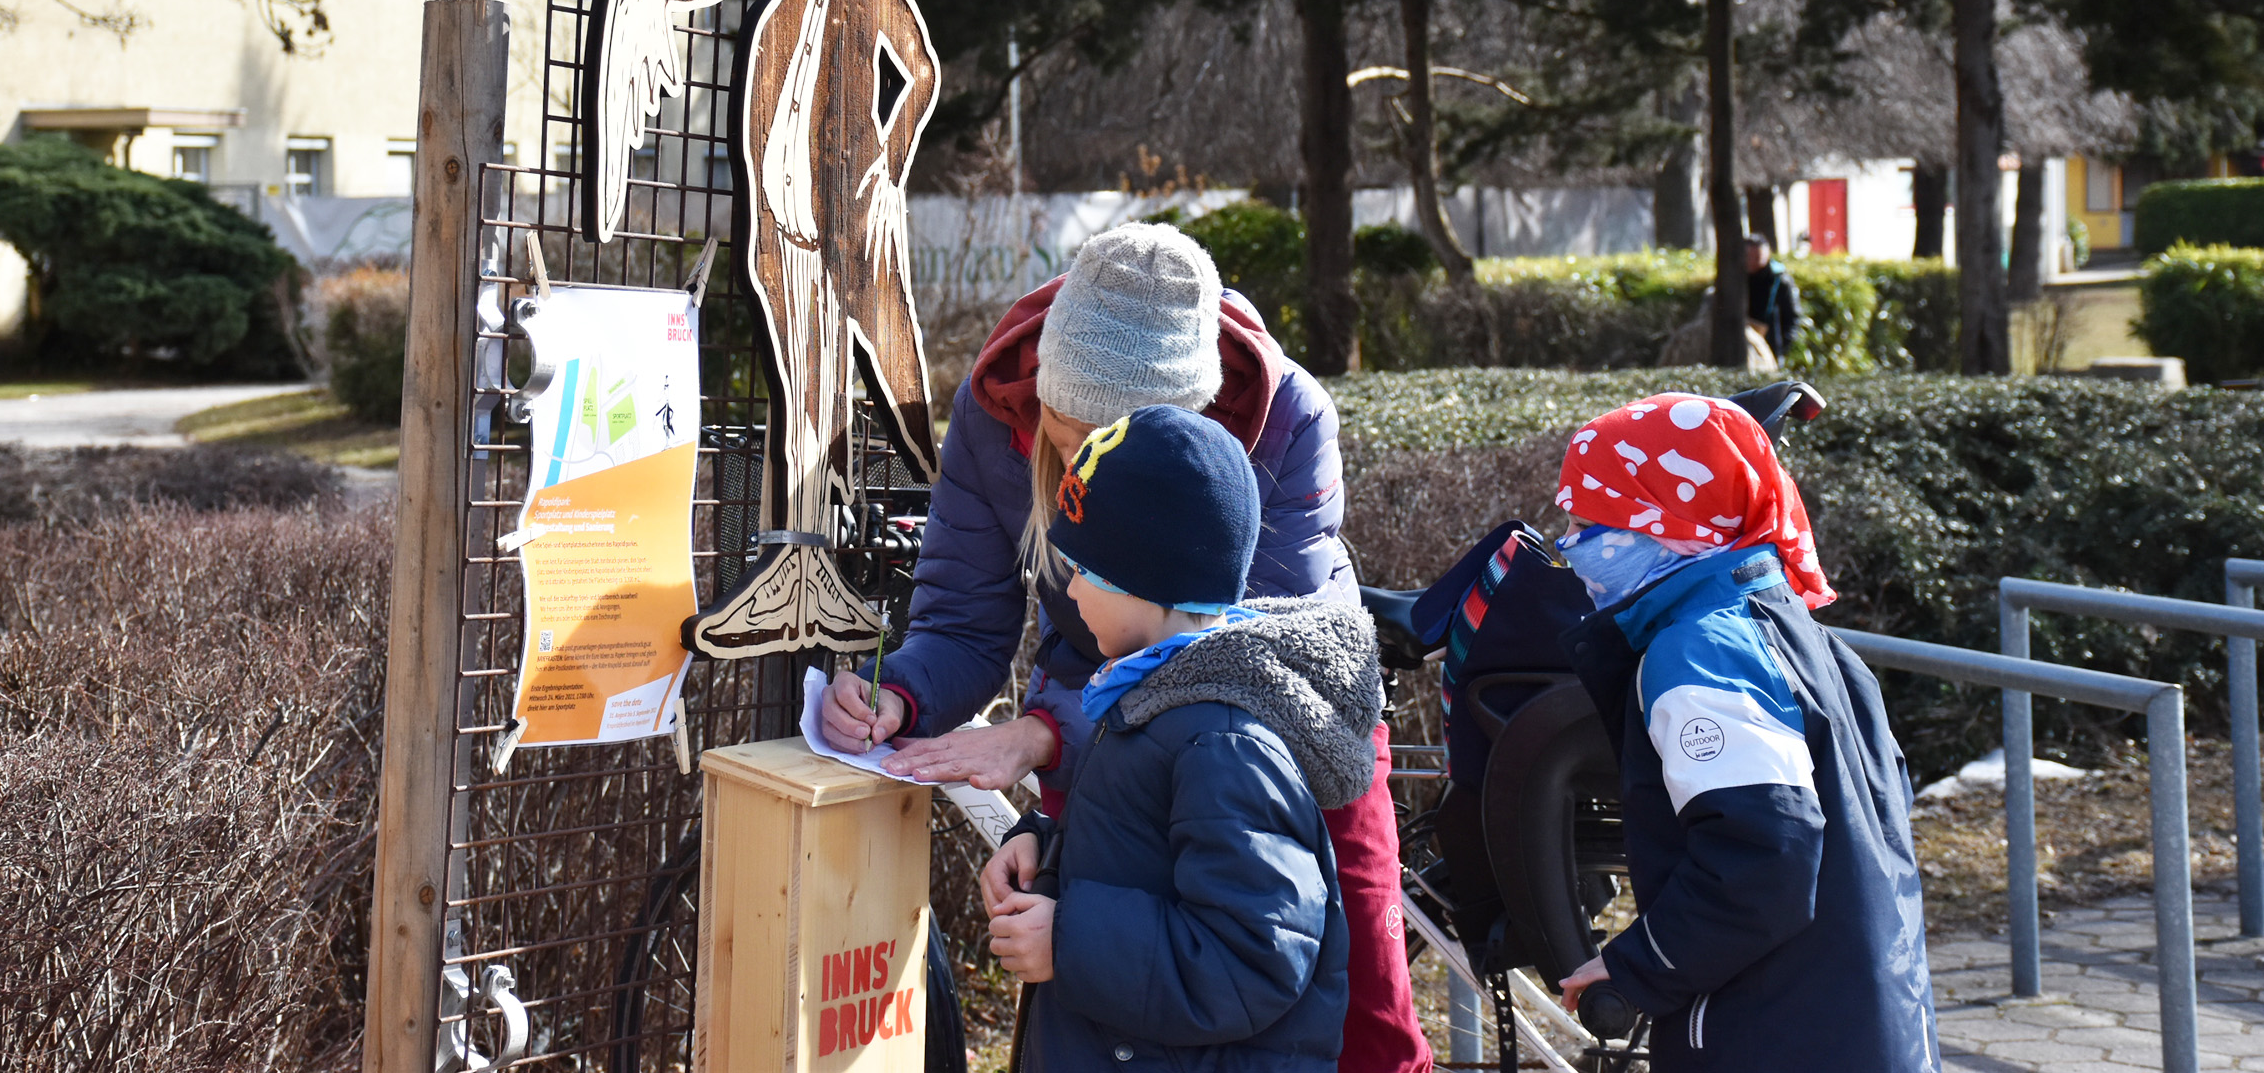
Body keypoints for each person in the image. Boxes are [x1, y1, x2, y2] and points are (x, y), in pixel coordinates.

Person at [818, 221, 1432, 1073]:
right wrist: (902, 692)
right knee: (1106, 1013)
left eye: (1108, 449)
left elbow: (1234, 663)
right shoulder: (997, 410)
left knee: (1366, 1015)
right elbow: (961, 618)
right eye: (1066, 434)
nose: (1077, 476)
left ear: (1193, 426)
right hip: (1110, 724)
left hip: (1292, 723)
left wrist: (1046, 734)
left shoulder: (1287, 416)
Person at [978, 404, 1379, 1071]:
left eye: (1086, 570)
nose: (1070, 591)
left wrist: (1070, 942)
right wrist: (1045, 849)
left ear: (1149, 580)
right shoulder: (1155, 700)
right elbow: (1138, 853)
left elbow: (1255, 953)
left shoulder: (1221, 742)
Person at [1551, 392, 1938, 1071]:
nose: (1572, 545)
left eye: (1592, 522)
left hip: (1771, 1032)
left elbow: (1766, 858)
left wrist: (1642, 964)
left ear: (1671, 523)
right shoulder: (1794, 628)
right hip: (1861, 1012)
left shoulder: (1698, 655)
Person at [1743, 233, 1799, 356]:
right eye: (1748, 257)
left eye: (1757, 257)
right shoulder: (1735, 278)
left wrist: (1784, 346)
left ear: (1767, 255)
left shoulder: (1780, 280)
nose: (1751, 261)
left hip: (1771, 345)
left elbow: (1792, 316)